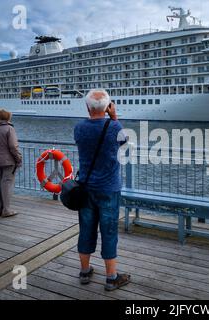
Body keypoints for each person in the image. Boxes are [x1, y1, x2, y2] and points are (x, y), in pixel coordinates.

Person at [74, 88, 130, 291]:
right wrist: (114, 116)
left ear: (87, 107)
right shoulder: (115, 127)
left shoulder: (79, 128)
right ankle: (111, 277)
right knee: (109, 231)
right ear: (107, 107)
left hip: (86, 188)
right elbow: (124, 144)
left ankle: (85, 271)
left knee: (86, 229)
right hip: (109, 189)